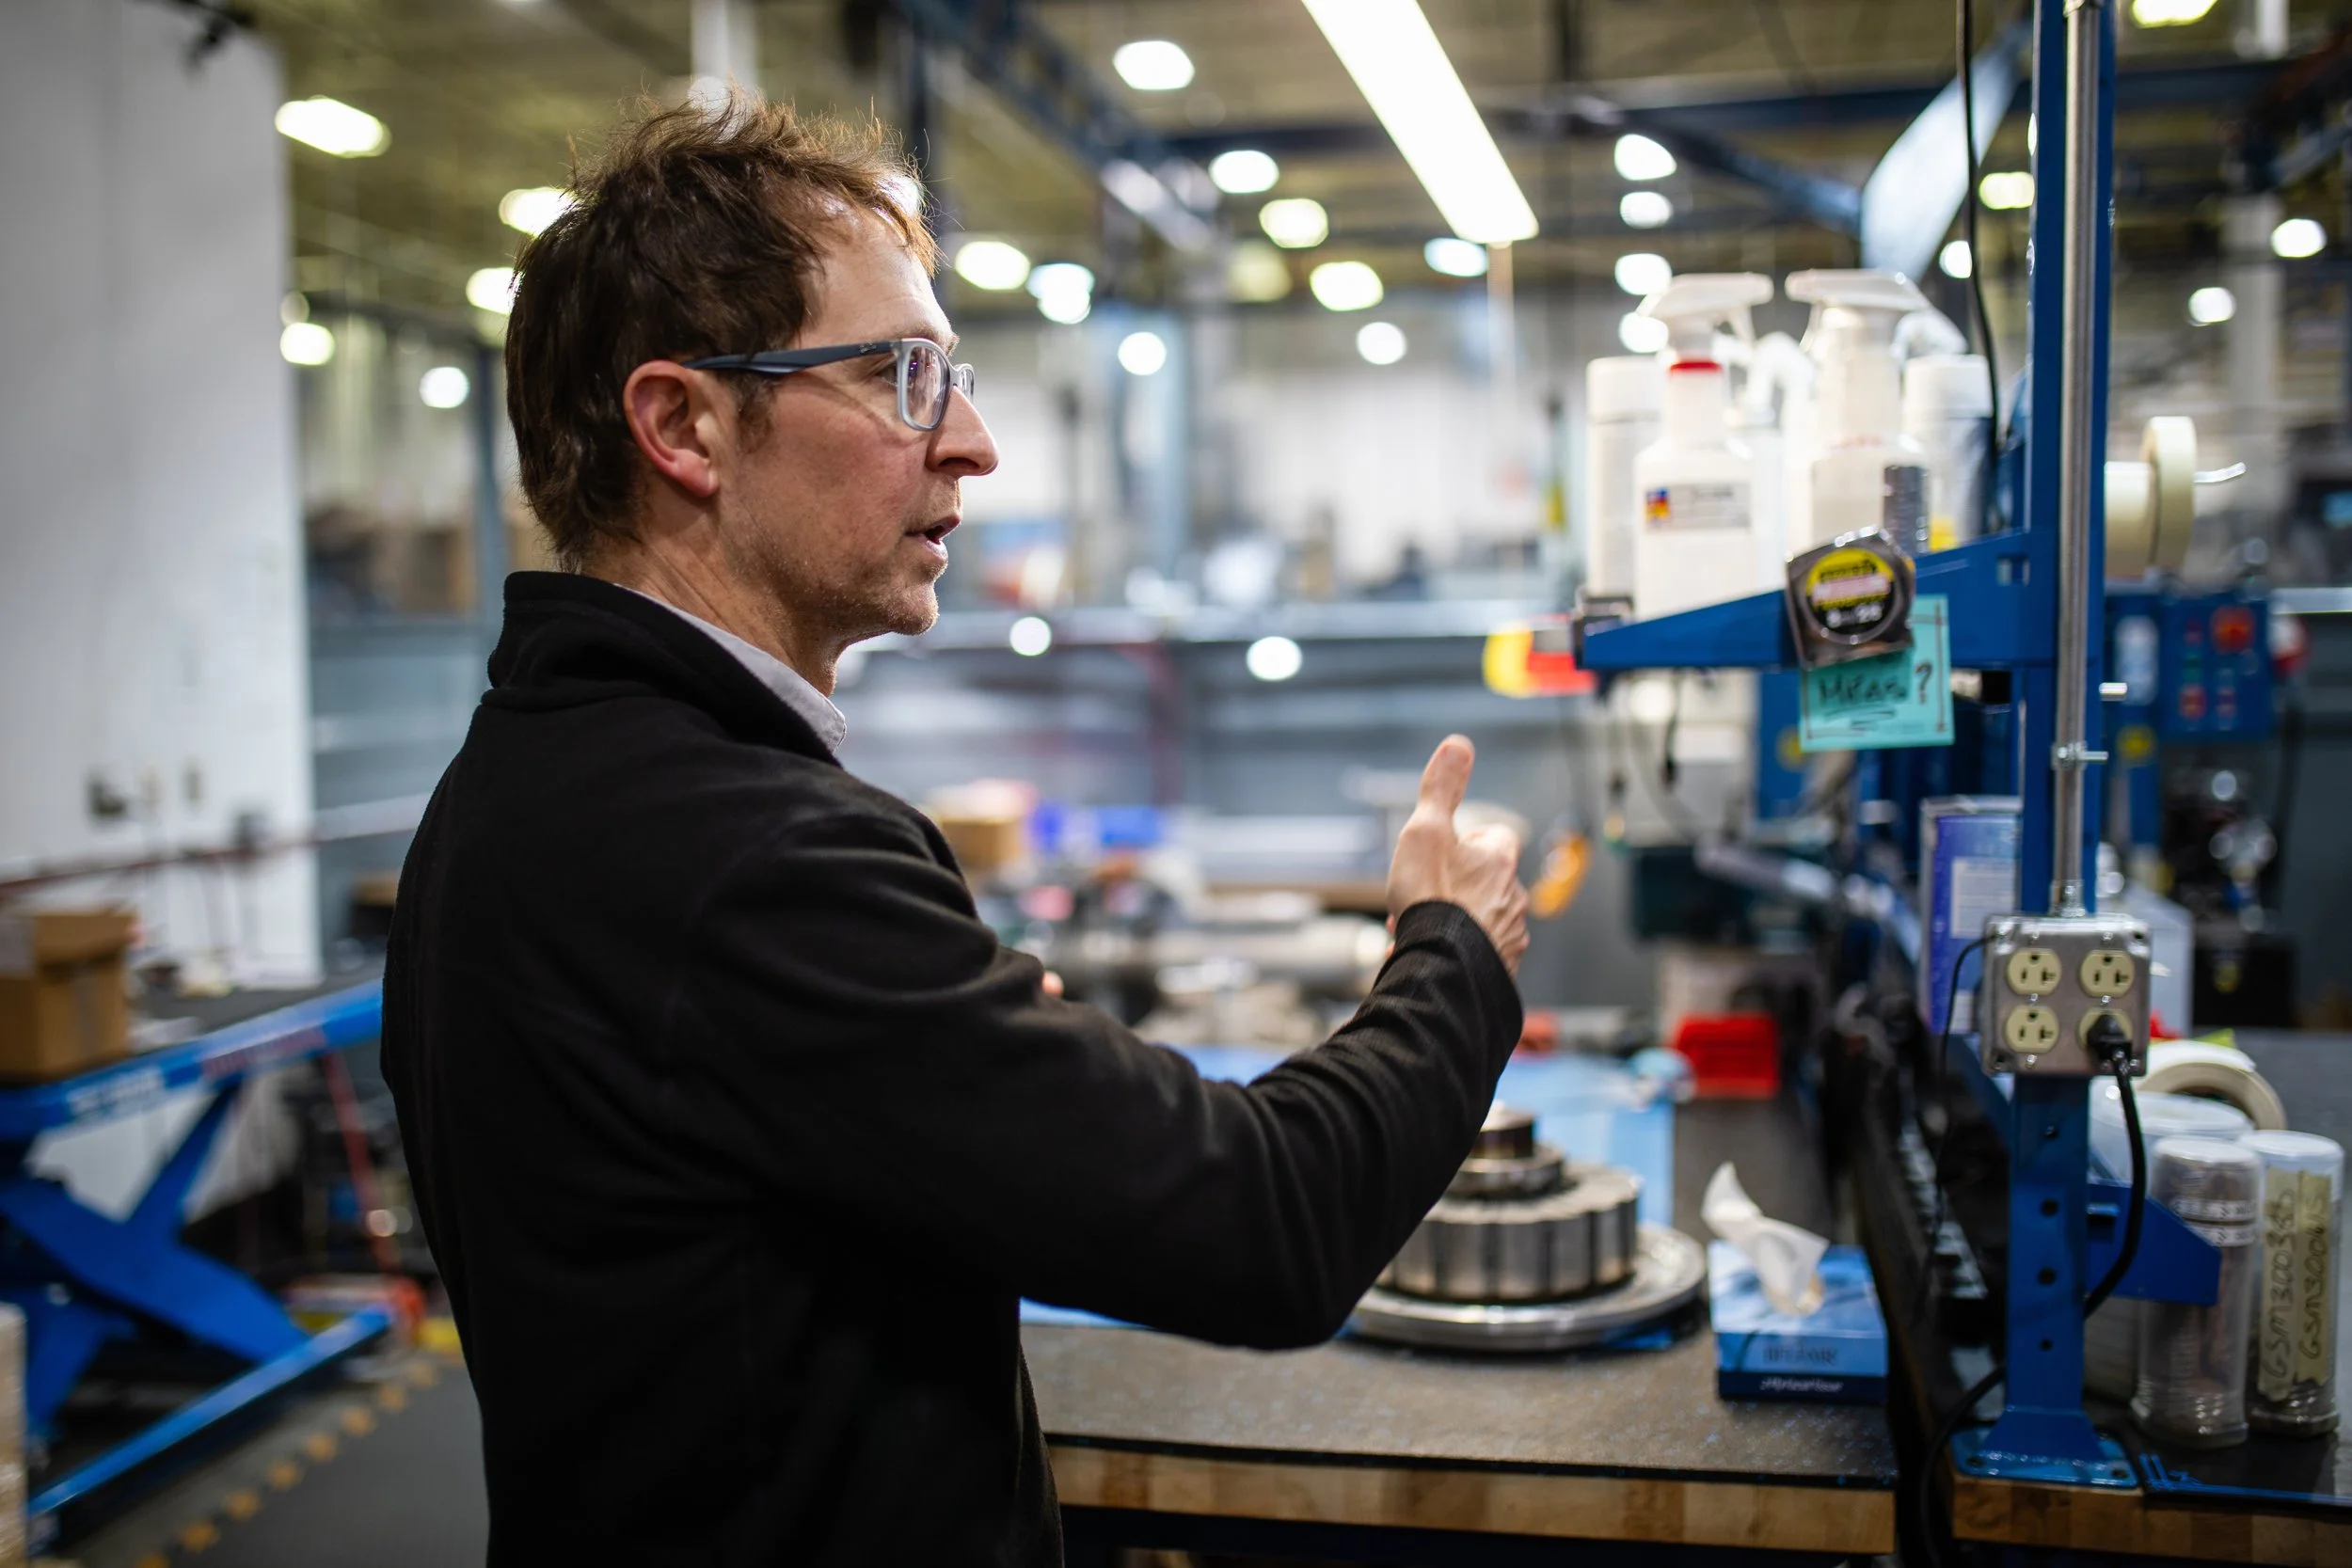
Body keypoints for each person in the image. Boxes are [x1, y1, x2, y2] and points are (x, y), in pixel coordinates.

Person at [382, 95, 1530, 1567]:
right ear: (685, 425)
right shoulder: (746, 861)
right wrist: (1455, 952)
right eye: (904, 377)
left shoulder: (514, 792)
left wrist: (956, 1061)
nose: (974, 444)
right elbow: (1268, 1221)